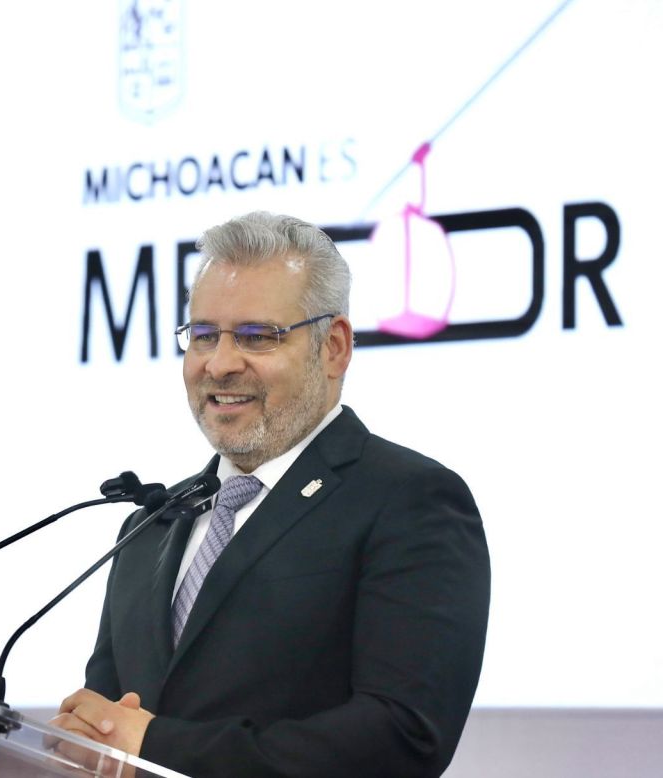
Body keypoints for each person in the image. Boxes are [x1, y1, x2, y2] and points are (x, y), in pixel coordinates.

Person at [53, 211, 490, 777]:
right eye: (204, 335)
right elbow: (112, 725)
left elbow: (402, 738)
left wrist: (158, 747)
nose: (220, 364)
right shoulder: (150, 526)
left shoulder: (411, 501)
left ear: (333, 348)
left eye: (257, 337)